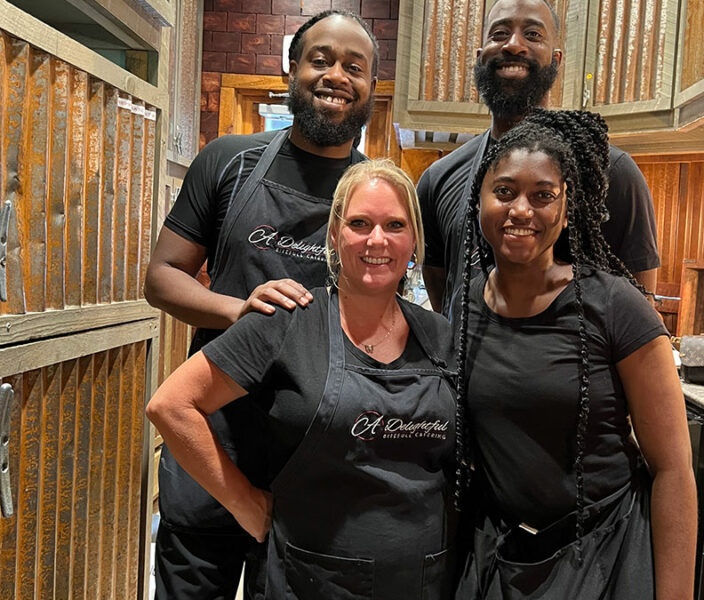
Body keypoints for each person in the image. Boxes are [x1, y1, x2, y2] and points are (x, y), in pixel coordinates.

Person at [143, 10, 380, 599]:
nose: (336, 75)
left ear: (373, 86)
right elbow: (162, 276)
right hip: (212, 446)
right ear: (292, 68)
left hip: (315, 460)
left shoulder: (375, 191)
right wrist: (235, 312)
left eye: (355, 66)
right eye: (320, 59)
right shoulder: (230, 160)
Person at [146, 159, 459, 600]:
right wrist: (244, 503)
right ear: (334, 235)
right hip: (305, 577)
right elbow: (172, 406)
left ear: (414, 242)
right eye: (359, 223)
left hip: (422, 578)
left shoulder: (440, 336)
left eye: (394, 225)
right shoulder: (285, 321)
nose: (377, 239)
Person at [453, 109, 696, 599]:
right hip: (502, 559)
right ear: (479, 200)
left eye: (542, 195)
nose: (521, 210)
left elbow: (673, 470)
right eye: (504, 192)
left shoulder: (616, 307)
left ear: (567, 209)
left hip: (605, 556)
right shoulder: (464, 304)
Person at [419, 0, 660, 320]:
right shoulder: (439, 179)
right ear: (480, 57)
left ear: (556, 60)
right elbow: (441, 296)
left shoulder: (610, 174)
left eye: (533, 34)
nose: (514, 45)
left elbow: (640, 310)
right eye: (500, 33)